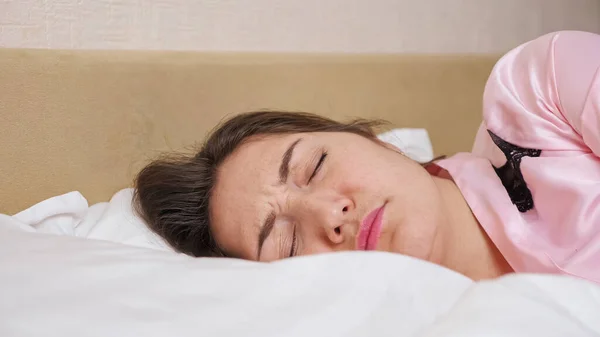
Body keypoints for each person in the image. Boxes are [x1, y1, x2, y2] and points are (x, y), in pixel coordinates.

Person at [133, 31, 600, 283]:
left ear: (377, 140)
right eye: (287, 243)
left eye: (313, 167)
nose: (327, 214)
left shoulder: (538, 94)